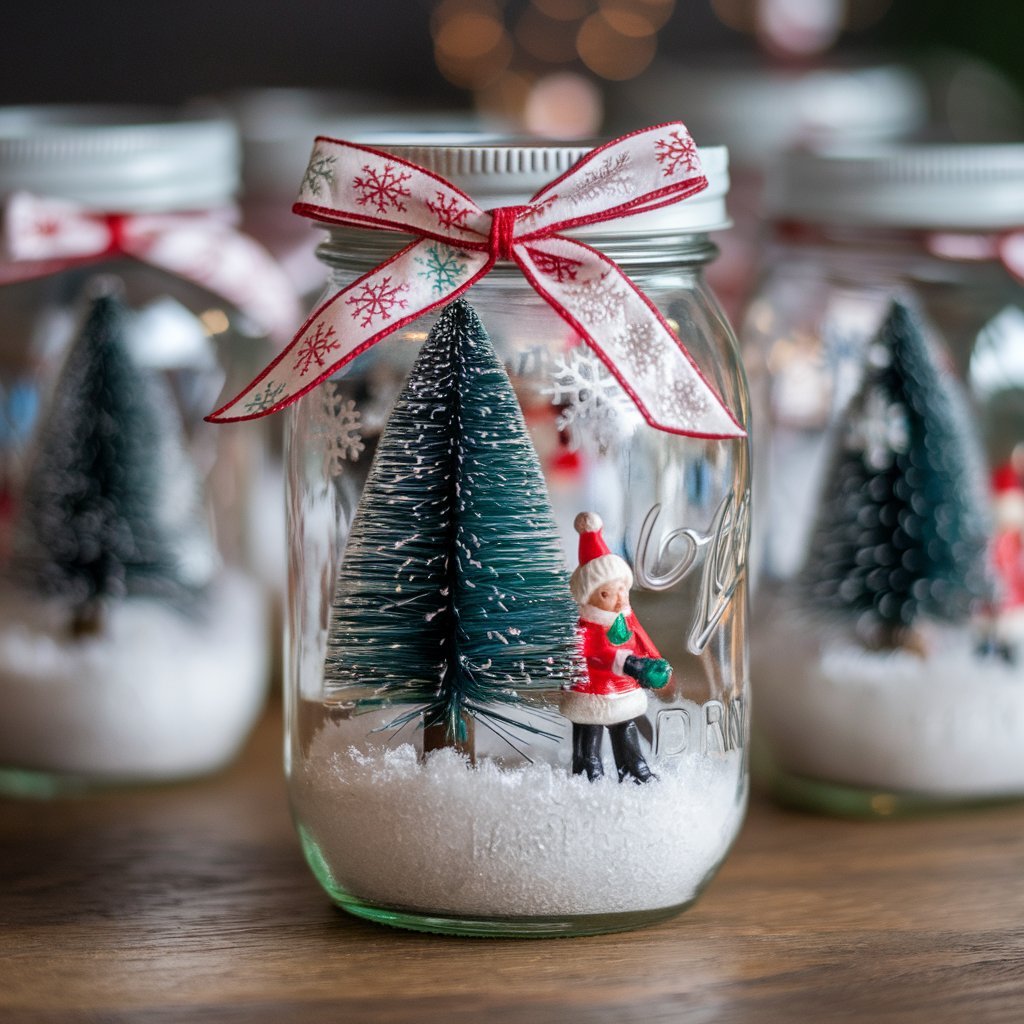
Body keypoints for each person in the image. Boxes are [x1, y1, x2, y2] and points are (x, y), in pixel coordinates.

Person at [561, 511, 672, 783]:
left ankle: (634, 767)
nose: (620, 597)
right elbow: (593, 654)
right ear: (590, 596)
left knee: (626, 727)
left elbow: (644, 641)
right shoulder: (585, 628)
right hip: (592, 691)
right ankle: (588, 770)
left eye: (623, 588)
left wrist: (655, 664)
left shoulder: (626, 618)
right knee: (590, 731)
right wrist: (629, 663)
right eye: (608, 593)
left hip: (623, 690)